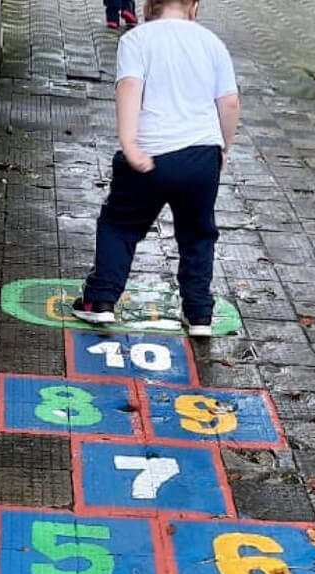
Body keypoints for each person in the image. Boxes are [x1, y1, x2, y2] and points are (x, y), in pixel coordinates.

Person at [73, 0, 241, 337]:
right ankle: (199, 314)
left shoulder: (137, 40)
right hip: (201, 156)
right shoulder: (212, 44)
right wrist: (223, 147)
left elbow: (129, 89)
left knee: (119, 225)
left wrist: (130, 144)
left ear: (152, 4)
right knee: (198, 234)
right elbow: (230, 102)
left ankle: (101, 301)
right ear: (194, 5)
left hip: (151, 154)